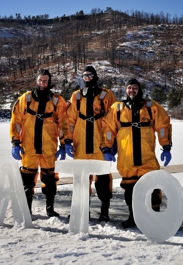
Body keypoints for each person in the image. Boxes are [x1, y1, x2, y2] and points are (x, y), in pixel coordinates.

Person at [101, 78, 172, 228]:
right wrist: (106, 148)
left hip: (147, 156)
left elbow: (163, 125)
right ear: (125, 90)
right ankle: (133, 217)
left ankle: (155, 217)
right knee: (130, 189)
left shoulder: (151, 107)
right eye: (129, 88)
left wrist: (166, 146)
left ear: (139, 89)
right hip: (127, 158)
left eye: (134, 88)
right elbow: (108, 129)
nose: (131, 90)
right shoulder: (117, 108)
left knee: (152, 187)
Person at [62, 65, 117, 222]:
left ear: (95, 76)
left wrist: (113, 144)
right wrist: (67, 140)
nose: (87, 78)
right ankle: (81, 209)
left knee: (103, 178)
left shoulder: (107, 95)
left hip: (101, 144)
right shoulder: (76, 96)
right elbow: (69, 120)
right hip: (81, 143)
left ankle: (104, 210)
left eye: (90, 75)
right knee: (81, 179)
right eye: (85, 76)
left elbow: (114, 120)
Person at [10, 69, 67, 217]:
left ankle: (50, 209)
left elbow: (63, 123)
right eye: (40, 80)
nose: (42, 83)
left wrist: (64, 144)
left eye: (45, 81)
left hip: (49, 147)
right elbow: (16, 120)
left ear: (49, 82)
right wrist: (15, 142)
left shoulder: (56, 101)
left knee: (50, 179)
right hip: (29, 146)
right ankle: (26, 210)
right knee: (27, 181)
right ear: (36, 80)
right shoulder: (26, 99)